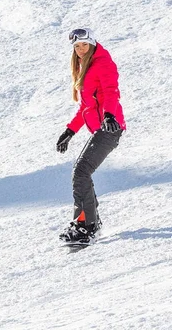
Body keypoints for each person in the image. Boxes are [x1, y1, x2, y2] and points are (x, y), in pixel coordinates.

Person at [56, 28, 126, 244]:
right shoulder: (85, 67)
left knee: (81, 172)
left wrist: (109, 115)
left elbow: (111, 91)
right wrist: (70, 131)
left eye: (84, 44)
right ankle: (89, 223)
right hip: (102, 128)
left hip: (110, 127)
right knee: (81, 172)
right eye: (77, 46)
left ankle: (86, 225)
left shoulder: (102, 63)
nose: (81, 49)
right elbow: (86, 107)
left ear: (93, 43)